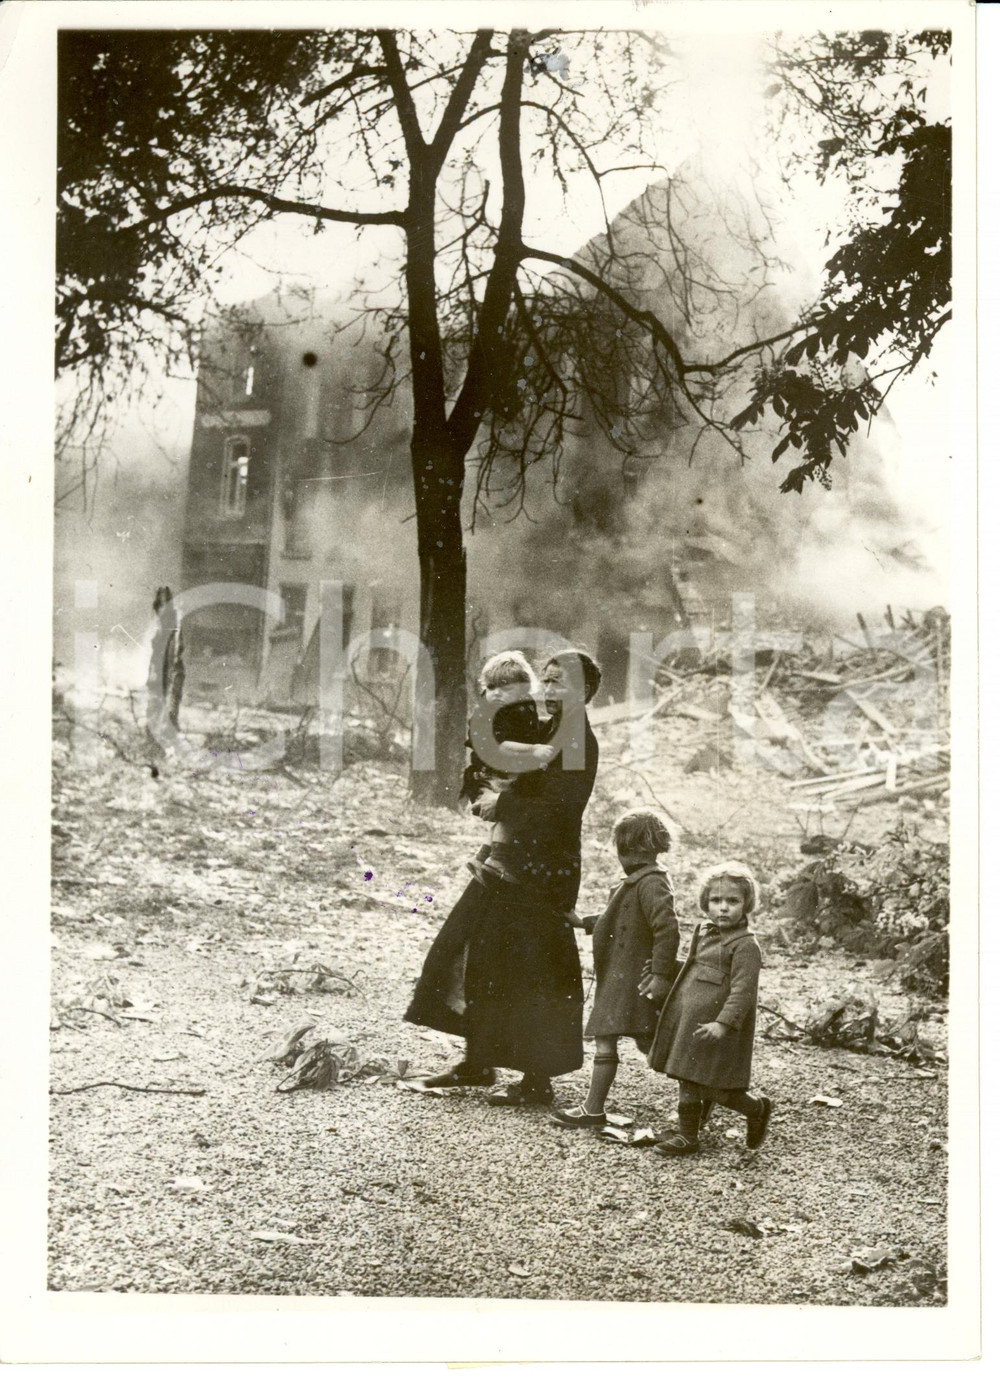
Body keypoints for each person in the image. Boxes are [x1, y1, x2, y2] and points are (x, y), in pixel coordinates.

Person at [405, 648, 601, 1107]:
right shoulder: (545, 727)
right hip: (507, 859)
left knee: (537, 969)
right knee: (470, 947)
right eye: (547, 680)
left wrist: (503, 805)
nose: (549, 689)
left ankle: (537, 1080)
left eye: (561, 683)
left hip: (543, 870)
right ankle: (478, 1061)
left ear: (586, 692)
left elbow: (563, 806)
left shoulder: (577, 739)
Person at [550, 809, 679, 1127]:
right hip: (622, 978)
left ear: (631, 849)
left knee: (646, 1043)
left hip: (636, 980)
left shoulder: (651, 884)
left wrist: (661, 976)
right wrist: (584, 922)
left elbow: (668, 929)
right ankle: (594, 1108)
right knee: (637, 1041)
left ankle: (699, 1094)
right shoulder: (638, 882)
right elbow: (620, 917)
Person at [647, 861, 772, 1156]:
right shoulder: (704, 931)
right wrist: (666, 972)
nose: (723, 908)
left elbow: (744, 991)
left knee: (707, 1081)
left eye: (732, 901)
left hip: (715, 1024)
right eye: (716, 901)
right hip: (690, 1018)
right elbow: (696, 965)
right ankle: (689, 1131)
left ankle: (754, 1108)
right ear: (706, 903)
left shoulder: (745, 946)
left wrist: (724, 1024)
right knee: (687, 1074)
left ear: (747, 904)